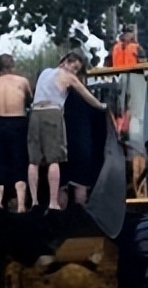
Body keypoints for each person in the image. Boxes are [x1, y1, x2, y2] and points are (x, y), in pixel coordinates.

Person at [28, 52, 106, 210]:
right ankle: (68, 210)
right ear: (67, 64)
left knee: (35, 162)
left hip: (35, 115)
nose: (74, 72)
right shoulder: (71, 82)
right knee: (60, 166)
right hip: (64, 130)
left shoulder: (45, 73)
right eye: (75, 68)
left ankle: (36, 201)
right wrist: (102, 106)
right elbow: (88, 97)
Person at [0, 53, 32, 212]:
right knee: (19, 162)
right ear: (12, 66)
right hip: (17, 121)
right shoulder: (21, 81)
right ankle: (20, 204)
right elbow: (29, 100)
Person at [62, 65, 98, 206]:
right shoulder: (88, 98)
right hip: (82, 146)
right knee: (81, 184)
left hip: (62, 144)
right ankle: (80, 215)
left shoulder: (59, 97)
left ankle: (59, 216)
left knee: (61, 185)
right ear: (83, 78)